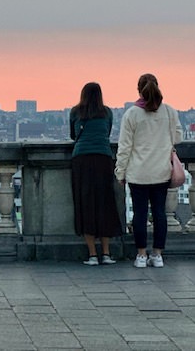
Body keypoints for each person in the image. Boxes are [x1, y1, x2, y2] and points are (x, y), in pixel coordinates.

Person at [115, 73, 182, 268]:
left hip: (138, 173)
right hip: (161, 171)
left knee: (140, 214)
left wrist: (120, 173)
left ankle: (141, 255)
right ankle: (158, 254)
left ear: (139, 90)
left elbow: (124, 148)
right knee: (160, 213)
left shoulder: (131, 114)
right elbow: (178, 138)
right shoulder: (169, 112)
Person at [69, 82, 123, 266]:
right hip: (103, 159)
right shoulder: (107, 112)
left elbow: (73, 135)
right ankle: (106, 253)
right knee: (105, 204)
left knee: (85, 205)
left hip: (81, 160)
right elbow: (106, 133)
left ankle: (92, 255)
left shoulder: (76, 112)